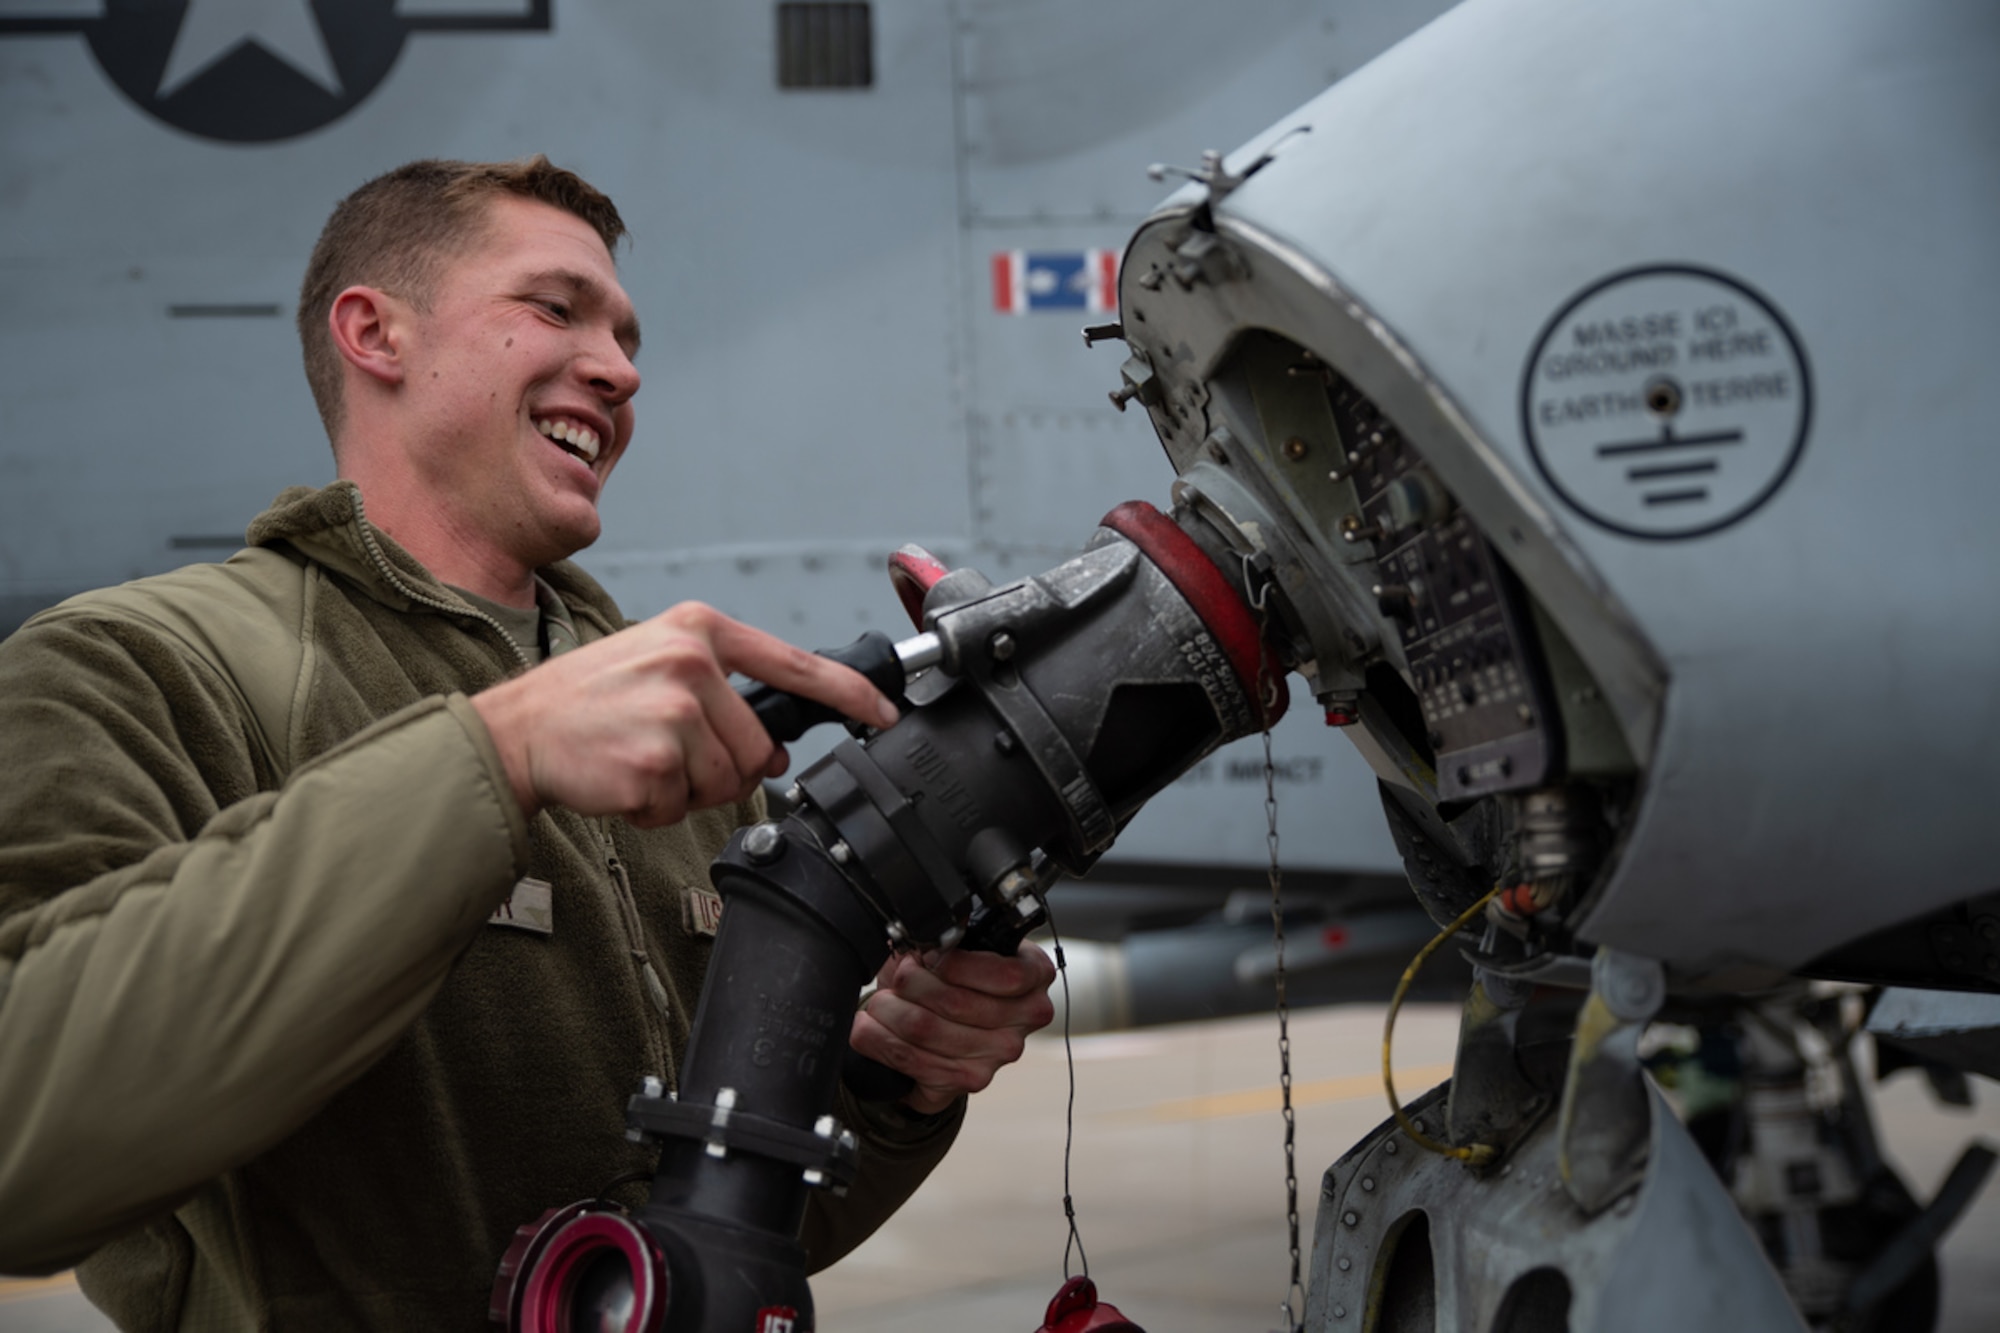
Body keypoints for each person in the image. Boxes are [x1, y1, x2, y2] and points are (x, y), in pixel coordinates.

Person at [0, 157, 1056, 1329]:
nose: (618, 368)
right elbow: (24, 1147)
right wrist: (493, 758)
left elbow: (711, 1247)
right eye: (553, 309)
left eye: (624, 333)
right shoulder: (134, 667)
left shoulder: (682, 731)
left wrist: (875, 1080)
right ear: (374, 334)